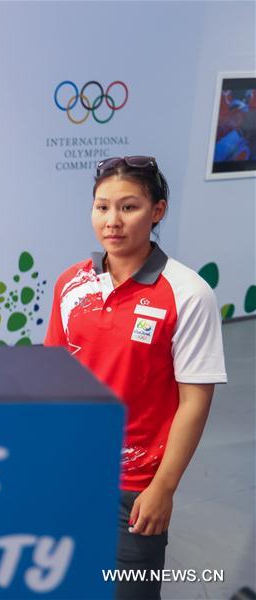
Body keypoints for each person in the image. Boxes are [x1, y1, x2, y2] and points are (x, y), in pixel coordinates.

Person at [44, 156, 227, 599]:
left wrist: (163, 487)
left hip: (134, 486)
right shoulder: (72, 283)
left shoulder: (187, 293)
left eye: (128, 207)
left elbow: (194, 402)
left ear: (157, 211)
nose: (112, 221)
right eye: (102, 207)